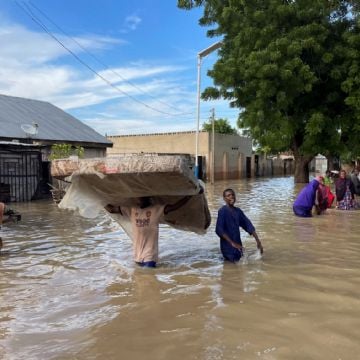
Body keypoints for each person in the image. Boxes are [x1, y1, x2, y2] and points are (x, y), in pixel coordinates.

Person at [105, 193, 196, 268]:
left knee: (149, 280)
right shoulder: (132, 210)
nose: (140, 199)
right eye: (139, 197)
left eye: (143, 197)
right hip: (137, 256)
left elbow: (174, 207)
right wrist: (98, 198)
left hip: (150, 256)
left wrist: (189, 196)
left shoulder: (156, 209)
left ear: (149, 198)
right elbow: (111, 209)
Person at [215, 188, 263, 263]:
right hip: (227, 247)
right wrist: (232, 243)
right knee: (232, 266)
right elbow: (219, 230)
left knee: (240, 266)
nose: (231, 197)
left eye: (233, 195)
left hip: (238, 246)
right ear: (224, 199)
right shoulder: (222, 211)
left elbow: (248, 224)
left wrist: (258, 241)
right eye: (228, 195)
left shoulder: (238, 211)